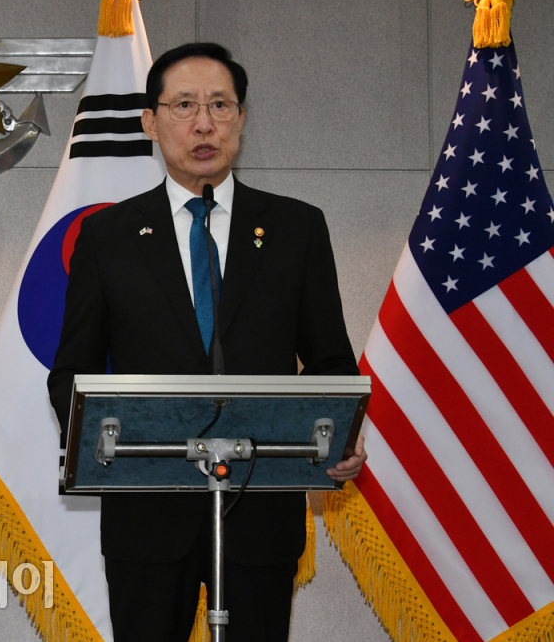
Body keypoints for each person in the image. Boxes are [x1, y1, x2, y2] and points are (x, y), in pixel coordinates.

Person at [47, 43, 367, 642]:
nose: (204, 123)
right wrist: (97, 440)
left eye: (220, 105)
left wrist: (339, 434)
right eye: (185, 105)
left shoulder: (297, 228)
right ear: (151, 121)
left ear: (240, 118)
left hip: (259, 509)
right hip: (147, 514)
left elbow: (330, 360)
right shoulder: (108, 235)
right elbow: (71, 371)